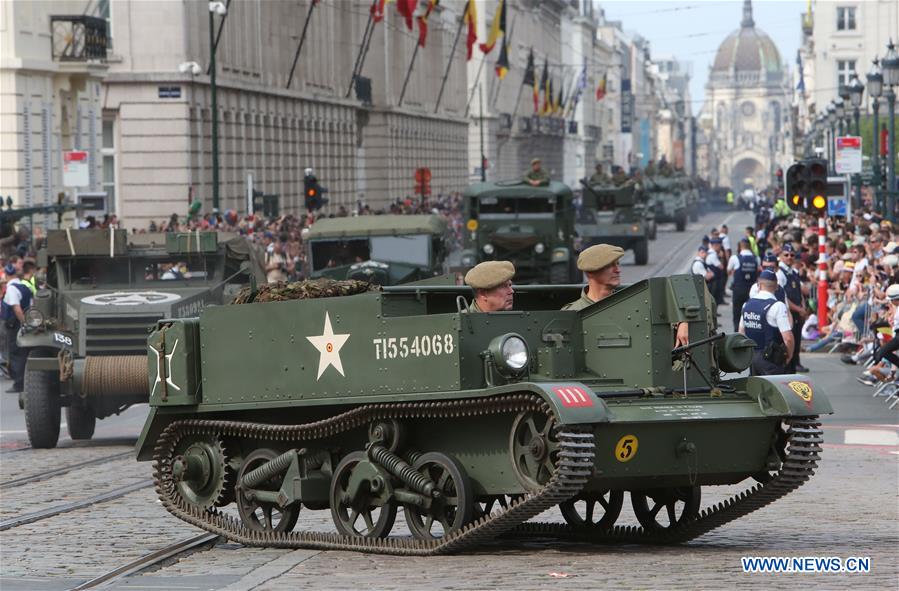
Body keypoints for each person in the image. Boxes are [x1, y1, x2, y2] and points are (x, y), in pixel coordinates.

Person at [564, 244, 689, 346]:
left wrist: (682, 321)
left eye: (617, 264)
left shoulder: (633, 305)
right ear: (591, 272)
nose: (618, 270)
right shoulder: (572, 314)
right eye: (609, 265)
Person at [739, 269, 794, 376]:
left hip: (752, 357)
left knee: (755, 390)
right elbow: (788, 338)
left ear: (759, 285)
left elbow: (741, 332)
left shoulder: (746, 305)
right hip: (771, 359)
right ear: (776, 287)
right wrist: (789, 355)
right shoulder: (778, 306)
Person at [2, 260, 35, 393]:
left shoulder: (11, 288)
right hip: (25, 322)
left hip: (15, 324)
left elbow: (17, 309)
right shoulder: (23, 286)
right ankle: (24, 381)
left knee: (16, 354)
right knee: (24, 353)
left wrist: (23, 322)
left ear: (7, 275)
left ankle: (18, 383)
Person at [778, 243, 808, 373]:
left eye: (792, 255)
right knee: (790, 341)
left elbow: (800, 292)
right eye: (786, 255)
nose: (789, 257)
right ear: (781, 256)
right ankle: (789, 365)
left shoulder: (793, 272)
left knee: (797, 339)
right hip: (789, 313)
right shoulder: (780, 274)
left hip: (797, 312)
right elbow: (784, 297)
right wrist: (798, 309)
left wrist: (803, 306)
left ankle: (796, 363)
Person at [727, 238, 759, 332]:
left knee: (737, 313)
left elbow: (728, 270)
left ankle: (737, 334)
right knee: (751, 313)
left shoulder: (735, 258)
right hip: (752, 290)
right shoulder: (756, 258)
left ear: (740, 246)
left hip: (739, 289)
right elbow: (757, 271)